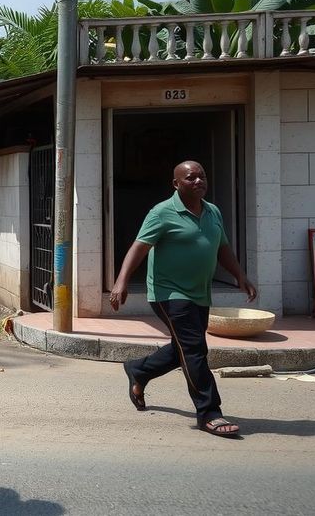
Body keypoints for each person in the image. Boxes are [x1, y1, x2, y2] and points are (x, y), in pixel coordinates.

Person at [110, 160, 256, 438]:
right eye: (191, 178)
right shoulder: (162, 212)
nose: (199, 181)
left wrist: (240, 275)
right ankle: (209, 412)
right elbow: (139, 248)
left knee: (185, 347)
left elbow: (221, 246)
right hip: (168, 292)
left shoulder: (213, 211)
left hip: (199, 291)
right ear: (176, 184)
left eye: (202, 176)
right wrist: (121, 281)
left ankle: (139, 370)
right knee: (194, 349)